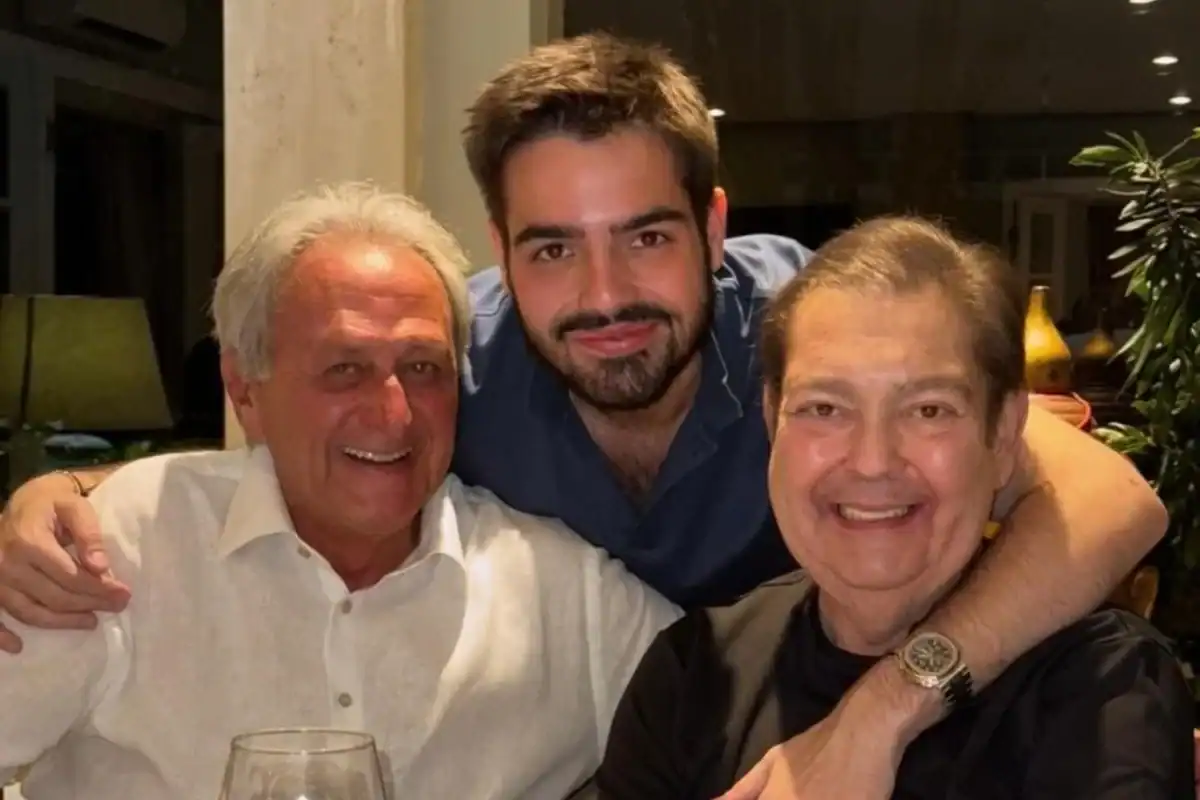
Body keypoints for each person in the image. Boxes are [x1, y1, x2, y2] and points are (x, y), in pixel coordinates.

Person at [0, 33, 1180, 798]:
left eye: (648, 237)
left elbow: (1109, 497)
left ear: (713, 228)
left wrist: (884, 707)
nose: (605, 296)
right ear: (503, 252)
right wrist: (68, 491)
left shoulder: (819, 334)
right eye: (554, 247)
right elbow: (311, 427)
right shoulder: (457, 360)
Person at [0, 185, 678, 800]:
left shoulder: (563, 594)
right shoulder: (123, 541)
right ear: (244, 391)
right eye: (344, 369)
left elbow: (727, 718)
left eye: (423, 368)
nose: (394, 413)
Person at [587, 217, 1197, 799]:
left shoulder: (1099, 682)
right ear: (773, 422)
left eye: (928, 410)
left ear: (1004, 434)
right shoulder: (694, 677)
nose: (873, 461)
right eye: (825, 408)